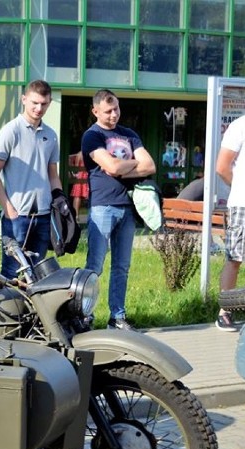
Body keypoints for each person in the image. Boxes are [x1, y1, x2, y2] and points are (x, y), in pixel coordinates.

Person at [82, 89, 156, 331]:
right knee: (95, 266)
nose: (114, 115)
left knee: (122, 266)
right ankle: (84, 314)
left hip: (127, 207)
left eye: (116, 109)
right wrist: (128, 165)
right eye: (108, 111)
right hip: (102, 207)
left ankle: (117, 316)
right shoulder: (92, 136)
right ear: (95, 111)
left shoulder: (129, 134)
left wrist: (124, 167)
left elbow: (150, 165)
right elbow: (112, 166)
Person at [0, 79, 61, 278]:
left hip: (44, 216)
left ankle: (32, 311)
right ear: (24, 100)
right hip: (17, 216)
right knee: (12, 272)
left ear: (50, 102)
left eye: (44, 104)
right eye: (34, 103)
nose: (39, 108)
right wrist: (8, 209)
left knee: (40, 274)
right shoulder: (10, 131)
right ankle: (10, 310)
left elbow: (53, 175)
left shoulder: (51, 135)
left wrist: (61, 202)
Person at [214, 106, 245, 332]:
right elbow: (222, 167)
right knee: (235, 258)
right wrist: (242, 187)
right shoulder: (242, 125)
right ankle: (225, 311)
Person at [68, 151, 90, 215]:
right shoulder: (90, 152)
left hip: (80, 175)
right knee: (88, 195)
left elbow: (76, 166)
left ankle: (76, 215)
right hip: (87, 174)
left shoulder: (79, 154)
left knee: (77, 195)